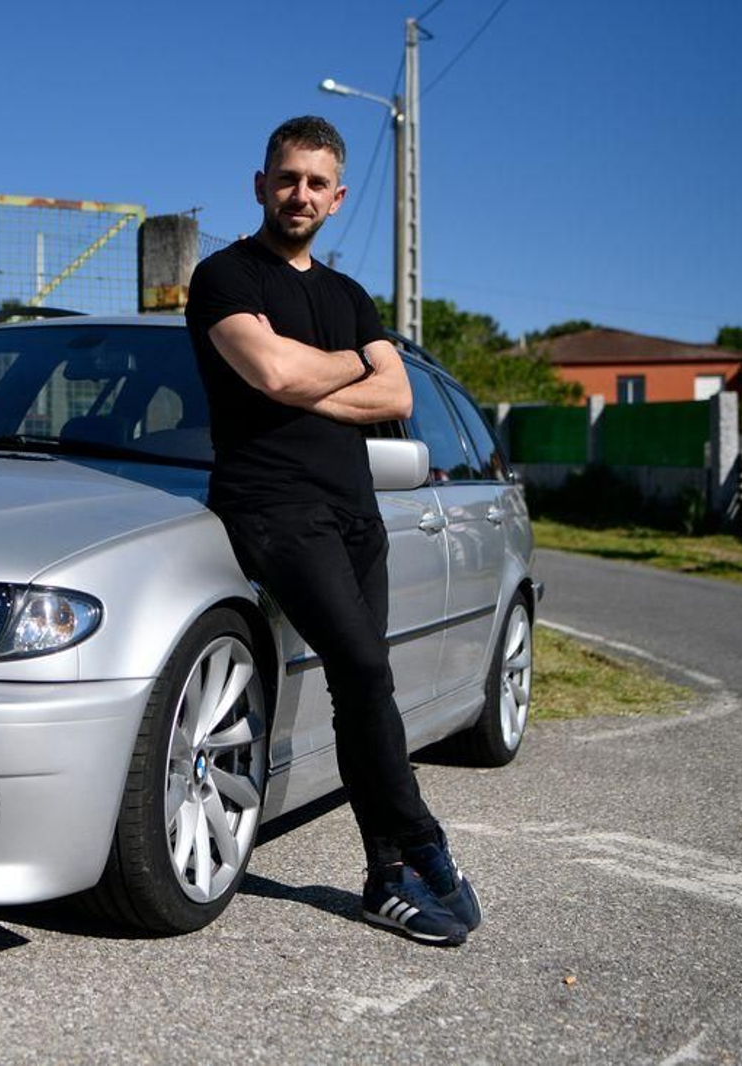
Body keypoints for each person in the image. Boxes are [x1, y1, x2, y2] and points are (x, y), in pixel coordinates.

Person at [186, 115, 481, 947]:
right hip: (272, 507)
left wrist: (309, 378)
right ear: (260, 183)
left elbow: (397, 400)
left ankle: (384, 878)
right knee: (359, 667)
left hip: (357, 513)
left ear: (338, 196)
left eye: (317, 183)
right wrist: (345, 365)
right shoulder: (223, 276)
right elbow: (272, 369)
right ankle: (423, 842)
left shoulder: (350, 296)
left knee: (365, 687)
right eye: (287, 178)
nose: (300, 194)